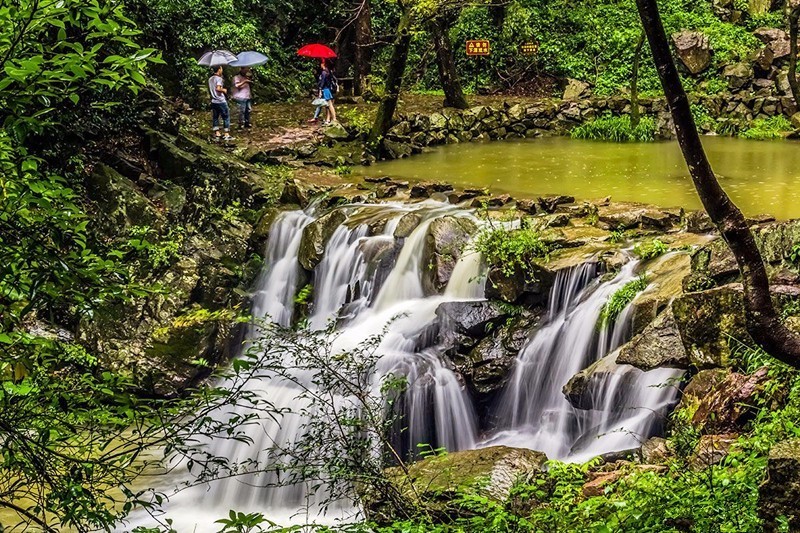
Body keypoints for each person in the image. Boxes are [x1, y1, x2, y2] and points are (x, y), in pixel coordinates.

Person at [208, 65, 233, 141]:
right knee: (226, 117)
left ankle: (217, 133)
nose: (222, 70)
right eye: (221, 68)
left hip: (214, 101)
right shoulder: (219, 79)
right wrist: (224, 90)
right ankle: (226, 134)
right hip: (221, 101)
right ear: (219, 70)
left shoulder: (210, 79)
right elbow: (218, 88)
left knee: (215, 117)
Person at [317, 59, 337, 124]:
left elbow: (322, 82)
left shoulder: (324, 72)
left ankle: (334, 118)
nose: (320, 64)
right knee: (327, 105)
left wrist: (320, 90)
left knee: (329, 104)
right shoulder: (329, 72)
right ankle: (328, 119)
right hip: (328, 89)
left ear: (323, 64)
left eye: (321, 63)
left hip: (325, 89)